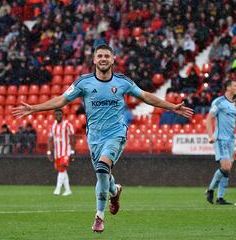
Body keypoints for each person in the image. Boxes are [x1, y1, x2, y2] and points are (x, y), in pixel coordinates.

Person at [13, 44, 193, 233]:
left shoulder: (122, 82)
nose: (103, 59)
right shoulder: (83, 82)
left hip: (116, 134)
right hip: (94, 138)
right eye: (100, 56)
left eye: (107, 56)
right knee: (103, 174)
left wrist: (171, 106)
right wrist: (34, 107)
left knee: (101, 168)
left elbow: (146, 96)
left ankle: (99, 217)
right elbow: (61, 100)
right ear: (94, 59)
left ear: (113, 58)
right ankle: (114, 191)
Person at [205, 80, 236, 205]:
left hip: (231, 141)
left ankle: (220, 198)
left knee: (227, 170)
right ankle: (210, 189)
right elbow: (209, 119)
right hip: (220, 139)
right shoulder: (219, 102)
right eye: (235, 85)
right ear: (228, 87)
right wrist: (210, 136)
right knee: (226, 167)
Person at [47, 108, 75, 196]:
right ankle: (68, 190)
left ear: (62, 115)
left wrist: (73, 151)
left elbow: (72, 137)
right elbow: (50, 140)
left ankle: (57, 189)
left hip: (66, 151)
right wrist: (49, 152)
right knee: (62, 170)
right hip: (57, 152)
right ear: (54, 116)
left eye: (60, 114)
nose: (58, 116)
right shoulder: (52, 126)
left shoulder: (67, 125)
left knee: (62, 168)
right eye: (56, 114)